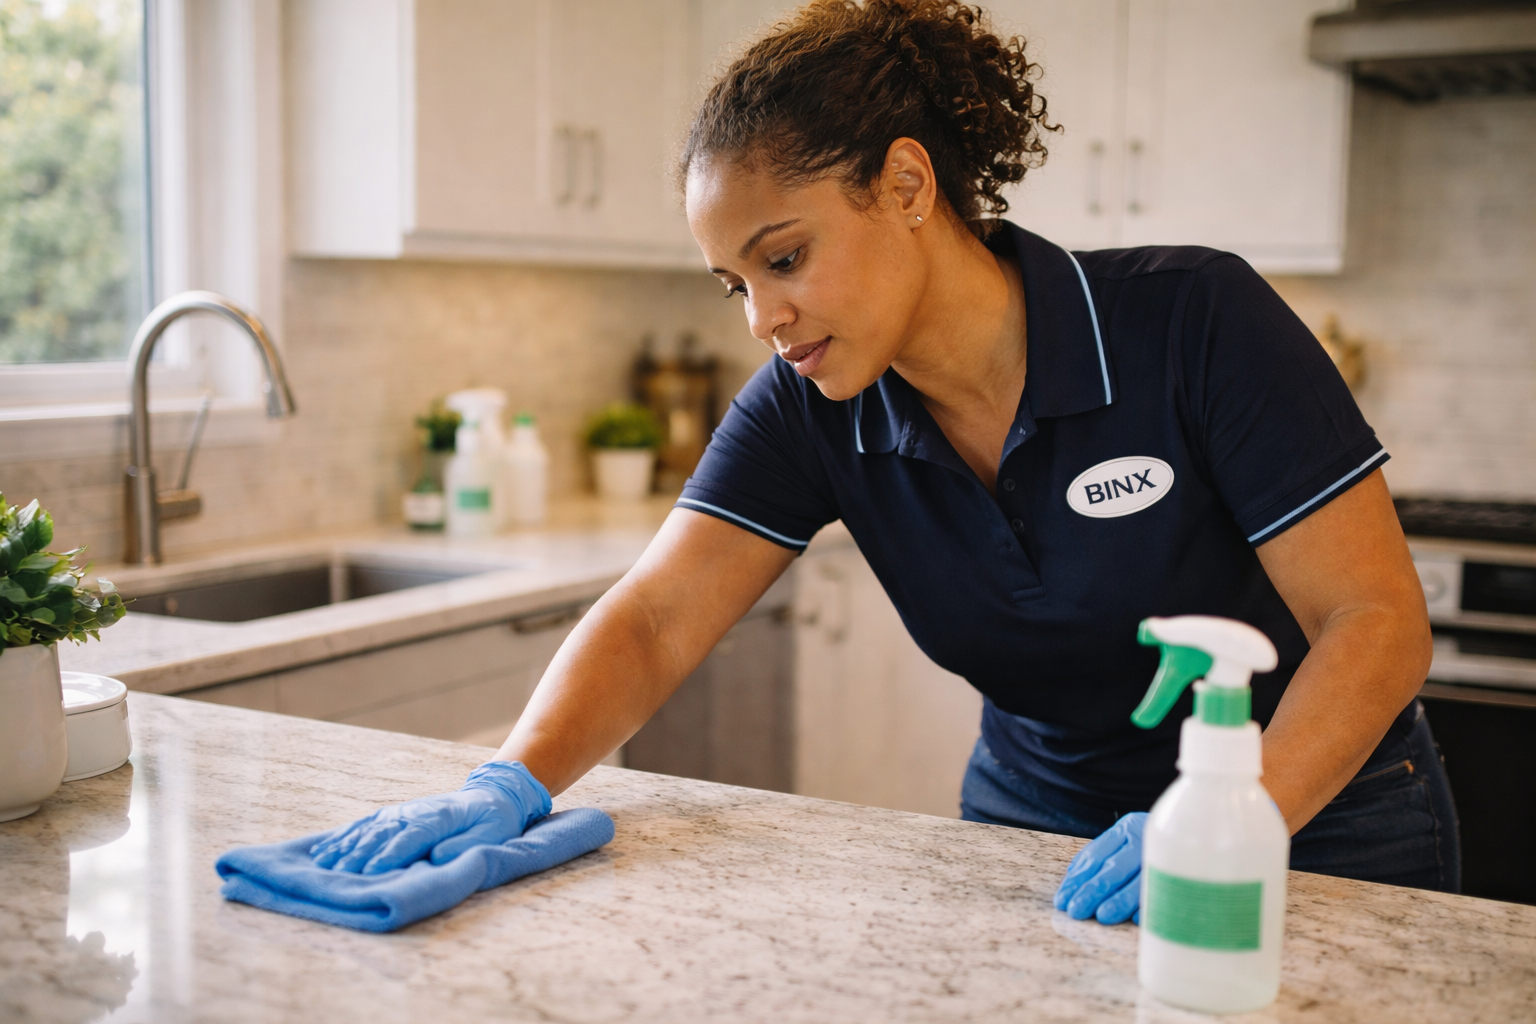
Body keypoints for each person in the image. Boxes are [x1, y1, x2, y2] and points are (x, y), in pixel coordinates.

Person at [310, 0, 1459, 921]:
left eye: (786, 256)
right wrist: (509, 780)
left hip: (1317, 820)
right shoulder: (810, 401)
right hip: (1035, 827)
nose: (762, 316)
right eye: (736, 284)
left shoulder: (1192, 321)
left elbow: (1377, 621)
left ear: (908, 186)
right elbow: (658, 615)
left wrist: (1233, 814)